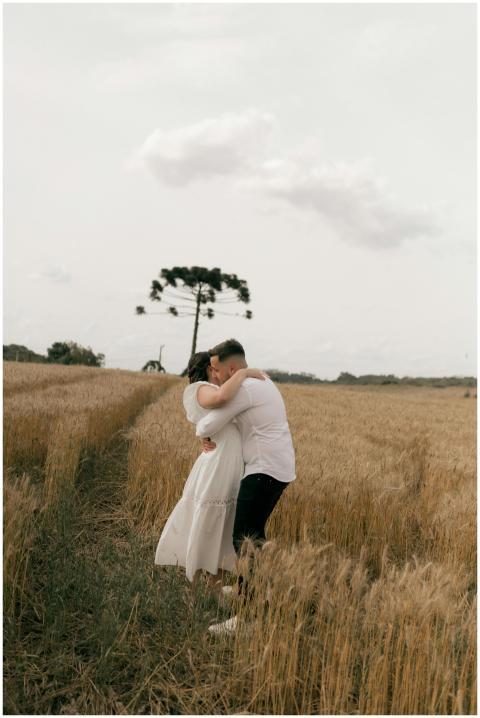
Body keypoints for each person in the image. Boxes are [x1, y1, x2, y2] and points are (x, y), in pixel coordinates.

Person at [195, 339, 296, 635]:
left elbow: (206, 425)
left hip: (264, 470)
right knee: (253, 537)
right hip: (276, 467)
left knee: (246, 539)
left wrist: (203, 432)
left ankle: (250, 619)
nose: (214, 376)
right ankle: (246, 592)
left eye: (215, 369)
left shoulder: (246, 388)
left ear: (232, 368)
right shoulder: (263, 382)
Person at [154, 350, 266, 590]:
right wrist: (244, 372)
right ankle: (201, 580)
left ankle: (216, 580)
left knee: (224, 521)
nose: (219, 372)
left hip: (227, 460)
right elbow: (220, 401)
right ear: (206, 369)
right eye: (215, 367)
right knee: (212, 519)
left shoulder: (214, 389)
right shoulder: (202, 388)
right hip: (218, 463)